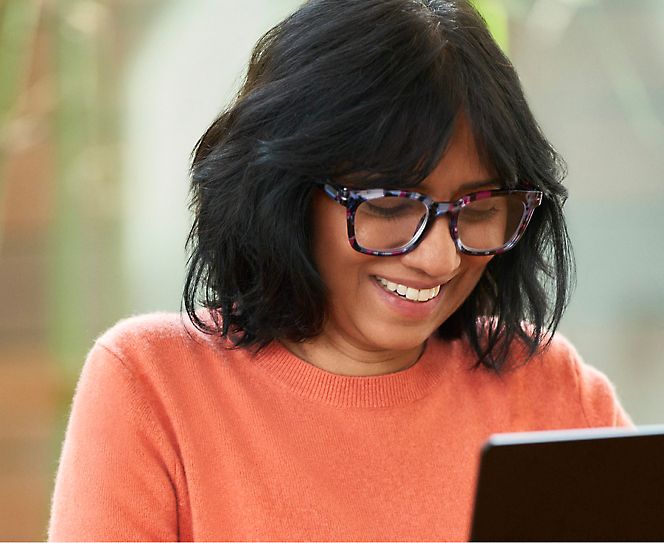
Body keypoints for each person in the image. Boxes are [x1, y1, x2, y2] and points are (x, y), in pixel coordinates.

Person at [48, 0, 632, 540]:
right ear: (284, 195)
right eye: (389, 206)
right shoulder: (151, 385)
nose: (440, 258)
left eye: (478, 210)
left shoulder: (553, 394)